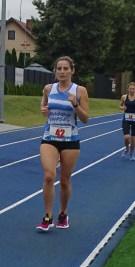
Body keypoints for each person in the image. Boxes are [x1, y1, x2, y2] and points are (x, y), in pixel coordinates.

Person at [37, 56, 89, 232]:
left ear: (72, 71)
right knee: (49, 176)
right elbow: (44, 106)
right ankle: (47, 216)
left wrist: (75, 103)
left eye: (65, 68)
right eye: (59, 68)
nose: (61, 72)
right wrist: (43, 109)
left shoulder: (80, 91)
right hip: (50, 137)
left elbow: (85, 119)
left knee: (65, 180)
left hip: (70, 140)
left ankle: (63, 213)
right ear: (55, 71)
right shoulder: (48, 89)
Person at [118, 82, 135, 161]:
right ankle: (126, 149)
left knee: (133, 139)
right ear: (128, 89)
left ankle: (131, 154)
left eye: (133, 89)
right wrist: (123, 108)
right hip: (126, 119)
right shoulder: (124, 97)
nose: (131, 90)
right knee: (126, 137)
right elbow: (119, 106)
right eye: (130, 89)